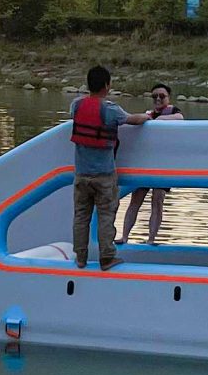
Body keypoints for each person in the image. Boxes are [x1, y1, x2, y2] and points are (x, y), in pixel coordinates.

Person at [68, 65, 147, 269]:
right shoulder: (110, 109)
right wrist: (147, 116)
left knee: (81, 216)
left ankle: (80, 257)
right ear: (106, 85)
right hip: (104, 175)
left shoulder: (76, 105)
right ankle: (107, 257)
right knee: (106, 215)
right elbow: (133, 120)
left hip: (81, 174)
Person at [118, 83, 182, 244]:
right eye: (155, 96)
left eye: (162, 96)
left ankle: (151, 239)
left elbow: (180, 118)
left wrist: (158, 120)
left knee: (157, 201)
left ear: (168, 97)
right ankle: (124, 236)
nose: (158, 99)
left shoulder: (173, 112)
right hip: (146, 164)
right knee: (136, 200)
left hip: (163, 166)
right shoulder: (147, 115)